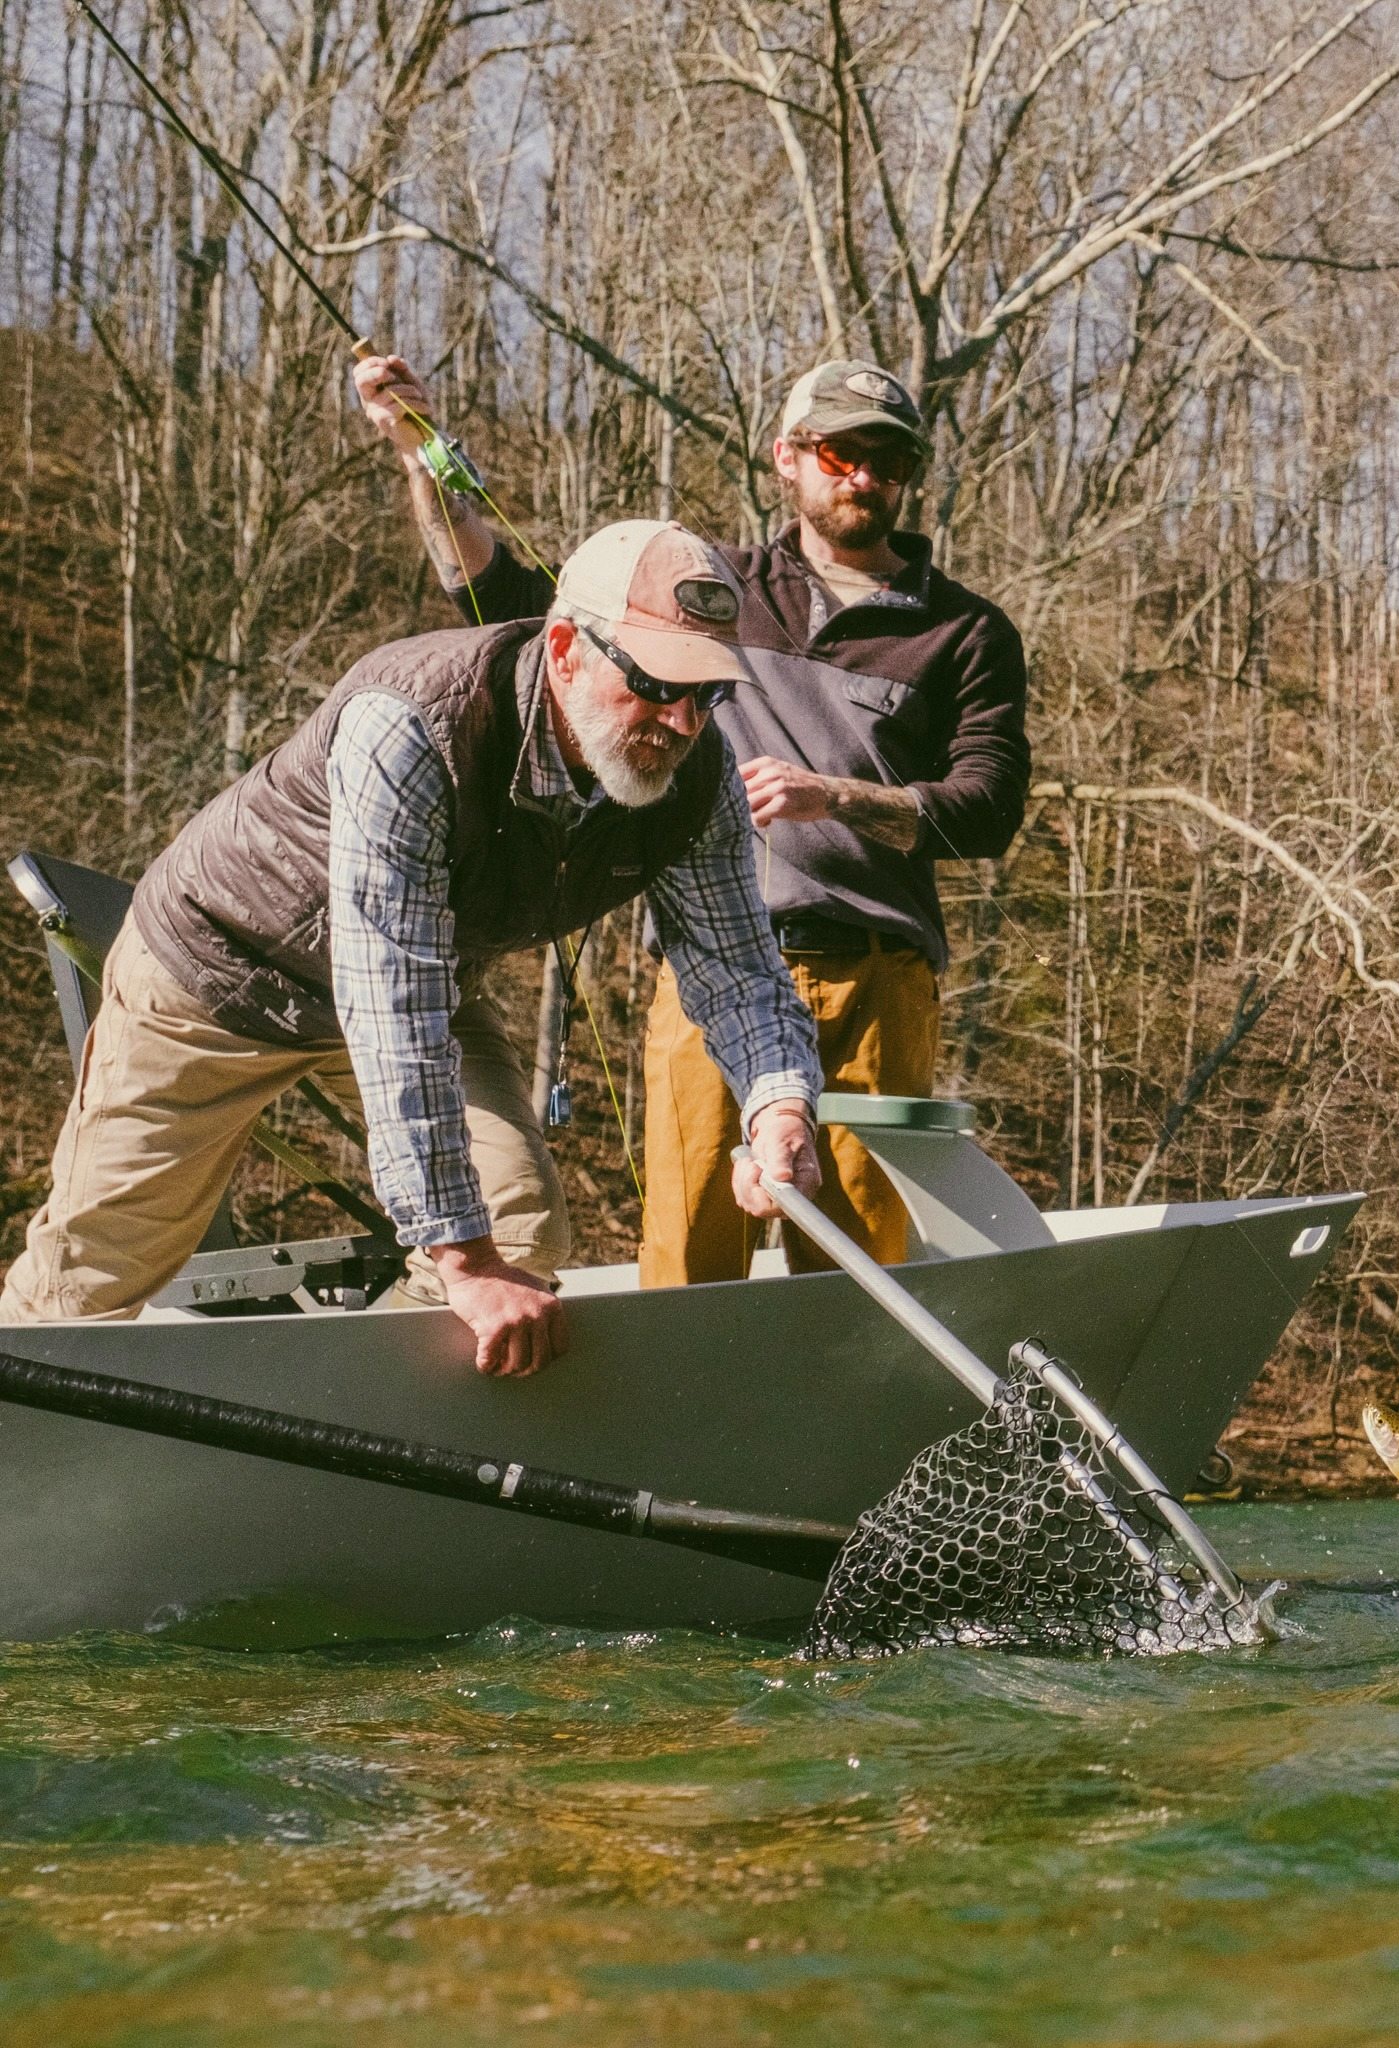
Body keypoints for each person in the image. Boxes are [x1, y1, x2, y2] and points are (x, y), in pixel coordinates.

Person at [0, 520, 825, 1373]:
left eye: (710, 692)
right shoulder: (413, 723)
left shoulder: (698, 780)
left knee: (517, 1224)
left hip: (429, 982)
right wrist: (459, 1260)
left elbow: (739, 971)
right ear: (568, 648)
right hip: (213, 978)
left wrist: (781, 1109)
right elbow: (387, 1007)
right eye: (656, 681)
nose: (683, 720)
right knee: (91, 1277)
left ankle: (353, 1453)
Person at [353, 354, 1032, 1284]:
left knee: (862, 1277)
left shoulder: (966, 632)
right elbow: (500, 596)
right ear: (786, 457)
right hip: (713, 970)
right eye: (840, 453)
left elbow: (988, 809)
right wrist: (423, 457)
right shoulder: (708, 593)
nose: (866, 477)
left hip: (880, 981)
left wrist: (834, 796)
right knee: (686, 1262)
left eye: (890, 459)